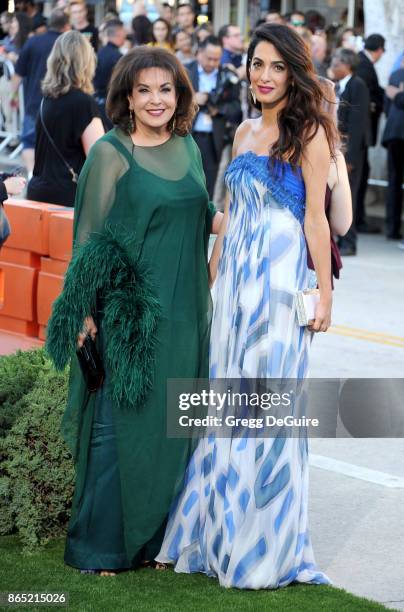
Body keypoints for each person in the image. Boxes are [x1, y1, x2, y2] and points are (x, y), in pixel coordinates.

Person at [157, 22, 338, 589]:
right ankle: (218, 532)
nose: (264, 76)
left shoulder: (308, 132)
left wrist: (325, 292)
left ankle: (263, 547)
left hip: (281, 287)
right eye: (257, 65)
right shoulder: (241, 132)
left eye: (276, 67)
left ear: (294, 71)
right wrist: (212, 277)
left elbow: (316, 218)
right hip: (234, 287)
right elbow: (231, 215)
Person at [46, 45, 221, 576]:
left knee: (172, 427)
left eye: (165, 89)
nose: (155, 100)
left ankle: (155, 541)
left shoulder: (189, 147)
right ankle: (100, 548)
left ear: (179, 95)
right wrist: (84, 315)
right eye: (143, 89)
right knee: (118, 429)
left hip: (187, 310)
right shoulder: (111, 153)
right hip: (130, 318)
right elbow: (89, 240)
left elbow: (205, 213)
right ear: (125, 95)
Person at [27, 31, 104, 206]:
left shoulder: (46, 100)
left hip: (38, 192)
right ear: (86, 62)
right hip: (68, 196)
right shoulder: (84, 103)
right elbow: (99, 159)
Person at [10, 9, 71, 175]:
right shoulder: (68, 44)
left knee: (29, 141)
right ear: (66, 25)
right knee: (57, 142)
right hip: (62, 103)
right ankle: (49, 174)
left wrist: (12, 96)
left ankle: (32, 174)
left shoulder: (33, 41)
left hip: (33, 101)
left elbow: (18, 74)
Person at [187, 35, 242, 199]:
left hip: (213, 139)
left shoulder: (227, 76)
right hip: (188, 135)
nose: (212, 63)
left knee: (207, 187)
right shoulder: (185, 71)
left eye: (216, 59)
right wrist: (192, 100)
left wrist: (218, 110)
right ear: (199, 53)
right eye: (209, 58)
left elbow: (237, 108)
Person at [331, 47, 370, 256]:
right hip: (339, 148)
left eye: (336, 65)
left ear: (347, 66)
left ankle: (349, 242)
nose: (333, 68)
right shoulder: (340, 86)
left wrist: (350, 158)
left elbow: (357, 123)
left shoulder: (358, 85)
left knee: (349, 196)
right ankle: (341, 239)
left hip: (351, 151)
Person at [382, 63, 404, 240]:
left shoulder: (396, 74)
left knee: (394, 180)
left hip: (393, 131)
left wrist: (399, 94)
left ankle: (391, 228)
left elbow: (387, 106)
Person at [355, 34, 385, 234]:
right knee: (360, 176)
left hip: (361, 132)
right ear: (380, 50)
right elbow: (367, 97)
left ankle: (359, 218)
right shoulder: (363, 65)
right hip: (360, 133)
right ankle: (358, 220)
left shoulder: (361, 62)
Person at [93, 19, 126, 130]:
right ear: (119, 34)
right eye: (124, 33)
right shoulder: (118, 57)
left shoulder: (99, 53)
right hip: (112, 103)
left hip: (97, 101)